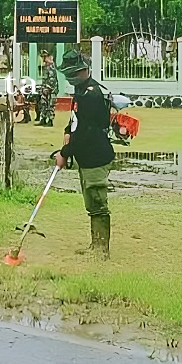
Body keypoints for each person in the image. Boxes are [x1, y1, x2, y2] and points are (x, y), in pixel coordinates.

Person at [52, 50, 113, 259]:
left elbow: (86, 131)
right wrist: (67, 132)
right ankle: (95, 245)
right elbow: (76, 121)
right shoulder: (80, 92)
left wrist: (64, 153)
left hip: (96, 155)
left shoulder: (91, 94)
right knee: (91, 203)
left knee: (97, 201)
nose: (71, 77)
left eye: (74, 73)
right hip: (85, 155)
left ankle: (101, 250)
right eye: (68, 74)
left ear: (85, 70)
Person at [35, 51, 59, 127]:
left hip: (51, 90)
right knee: (43, 104)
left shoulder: (51, 67)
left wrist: (47, 88)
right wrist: (43, 88)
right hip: (45, 88)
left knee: (50, 105)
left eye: (45, 57)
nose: (44, 59)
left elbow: (52, 80)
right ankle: (43, 119)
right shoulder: (46, 67)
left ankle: (50, 120)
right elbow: (45, 79)